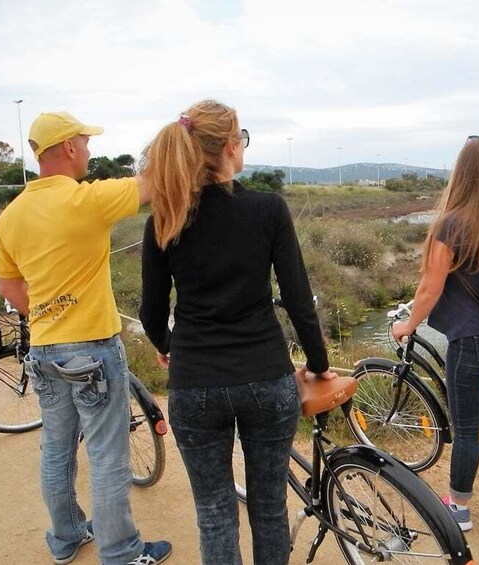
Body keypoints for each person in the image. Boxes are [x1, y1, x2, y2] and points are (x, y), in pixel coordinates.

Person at [138, 99, 336, 565]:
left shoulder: (164, 219)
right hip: (266, 378)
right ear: (230, 146)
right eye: (242, 138)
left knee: (214, 513)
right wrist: (320, 364)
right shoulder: (268, 210)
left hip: (195, 383)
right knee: (268, 508)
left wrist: (170, 347)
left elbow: (150, 312)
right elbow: (299, 300)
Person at [0, 111, 172, 565]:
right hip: (92, 348)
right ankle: (122, 552)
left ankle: (66, 536)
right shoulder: (87, 200)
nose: (89, 150)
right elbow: (152, 184)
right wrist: (180, 133)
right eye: (85, 142)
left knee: (56, 448)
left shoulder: (8, 219)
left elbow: (11, 291)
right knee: (109, 456)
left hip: (45, 350)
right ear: (69, 147)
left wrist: (51, 312)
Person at [391, 135, 479, 532]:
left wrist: (408, 325)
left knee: (463, 429)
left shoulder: (450, 223)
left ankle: (458, 508)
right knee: (472, 389)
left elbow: (430, 288)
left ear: (460, 171)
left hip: (470, 337)